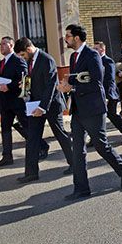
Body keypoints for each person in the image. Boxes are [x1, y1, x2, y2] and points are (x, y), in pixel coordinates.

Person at [57, 24, 122, 199]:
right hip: (78, 109)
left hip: (93, 108)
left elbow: (96, 81)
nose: (65, 39)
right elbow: (77, 80)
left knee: (100, 145)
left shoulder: (92, 55)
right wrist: (68, 87)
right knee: (77, 151)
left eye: (67, 36)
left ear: (76, 37)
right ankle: (81, 189)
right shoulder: (74, 56)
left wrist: (71, 86)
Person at [14, 37, 73, 183]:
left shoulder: (47, 60)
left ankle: (75, 163)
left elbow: (51, 86)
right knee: (32, 138)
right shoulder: (29, 62)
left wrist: (42, 107)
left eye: (22, 55)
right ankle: (31, 173)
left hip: (51, 105)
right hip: (34, 105)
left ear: (28, 49)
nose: (22, 58)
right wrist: (24, 88)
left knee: (60, 135)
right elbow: (30, 79)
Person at [0, 37, 48, 167]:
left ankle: (42, 146)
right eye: (0, 44)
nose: (1, 46)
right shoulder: (0, 63)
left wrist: (9, 86)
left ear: (11, 45)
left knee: (26, 126)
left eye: (4, 44)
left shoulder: (18, 60)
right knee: (5, 128)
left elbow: (24, 78)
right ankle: (7, 156)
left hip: (17, 100)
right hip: (4, 101)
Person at [93, 41, 122, 145]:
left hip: (108, 94)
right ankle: (95, 138)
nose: (94, 51)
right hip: (96, 94)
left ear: (102, 49)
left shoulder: (108, 61)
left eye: (96, 49)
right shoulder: (93, 61)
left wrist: (106, 96)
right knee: (95, 117)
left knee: (112, 115)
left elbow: (110, 80)